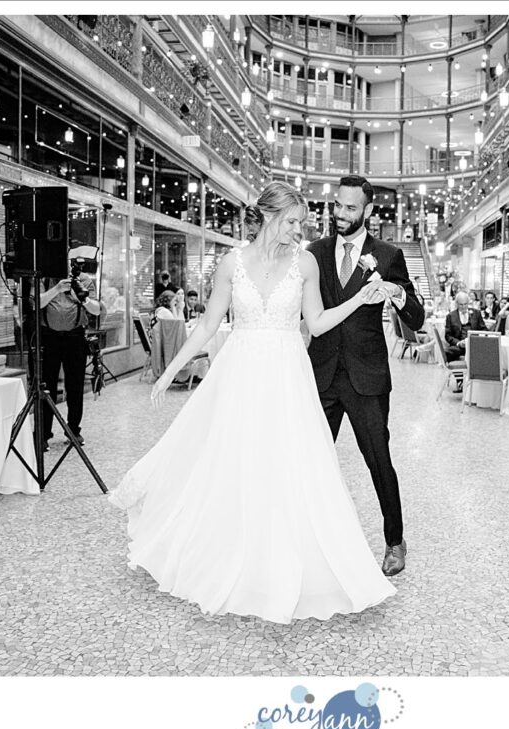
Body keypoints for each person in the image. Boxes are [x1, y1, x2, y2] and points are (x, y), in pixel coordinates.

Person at [109, 181, 397, 624]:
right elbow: (207, 326)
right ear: (268, 215)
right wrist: (168, 370)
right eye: (292, 222)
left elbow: (318, 323)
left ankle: (279, 563)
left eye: (302, 223)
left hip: (287, 377)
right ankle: (231, 554)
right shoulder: (232, 263)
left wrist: (360, 298)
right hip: (240, 375)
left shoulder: (304, 263)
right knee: (234, 462)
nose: (299, 231)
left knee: (288, 468)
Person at [307, 174, 426, 577]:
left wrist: (398, 295)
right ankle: (305, 540)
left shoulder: (388, 255)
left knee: (379, 461)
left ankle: (395, 541)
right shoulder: (315, 252)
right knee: (309, 460)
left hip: (367, 378)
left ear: (368, 210)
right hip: (321, 374)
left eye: (350, 208)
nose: (341, 214)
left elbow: (416, 318)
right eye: (337, 206)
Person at [37, 261, 106, 449]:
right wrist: (57, 289)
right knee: (46, 386)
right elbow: (36, 303)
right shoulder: (43, 279)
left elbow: (96, 310)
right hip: (49, 337)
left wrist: (82, 298)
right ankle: (43, 434)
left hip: (75, 337)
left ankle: (73, 430)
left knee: (75, 386)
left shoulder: (83, 279)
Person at [444, 290, 486, 362]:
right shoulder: (450, 316)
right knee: (447, 352)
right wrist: (459, 343)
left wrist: (477, 340)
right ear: (456, 304)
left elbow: (484, 329)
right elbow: (448, 335)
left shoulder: (476, 313)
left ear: (468, 303)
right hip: (459, 346)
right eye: (461, 305)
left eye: (465, 304)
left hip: (474, 345)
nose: (463, 307)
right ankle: (455, 368)